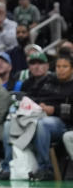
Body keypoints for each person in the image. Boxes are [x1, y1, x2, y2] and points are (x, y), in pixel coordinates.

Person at [27, 51, 73, 180]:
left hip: (63, 123)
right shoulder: (48, 80)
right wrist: (38, 104)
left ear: (72, 69)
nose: (60, 70)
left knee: (43, 124)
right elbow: (32, 95)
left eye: (65, 67)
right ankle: (12, 168)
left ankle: (45, 168)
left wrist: (54, 110)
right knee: (11, 123)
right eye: (58, 66)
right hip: (38, 114)